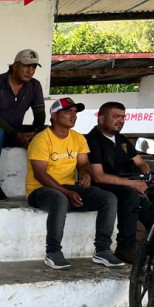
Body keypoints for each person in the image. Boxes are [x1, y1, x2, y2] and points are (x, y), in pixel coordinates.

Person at [26, 98, 123, 270]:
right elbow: (40, 174)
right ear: (54, 116)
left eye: (75, 112)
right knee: (60, 199)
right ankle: (53, 252)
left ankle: (102, 250)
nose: (73, 116)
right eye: (68, 112)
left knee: (108, 198)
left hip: (68, 188)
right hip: (40, 190)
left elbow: (83, 163)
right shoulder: (41, 139)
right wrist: (66, 192)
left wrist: (85, 173)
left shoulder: (78, 138)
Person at [0, 49, 47, 200]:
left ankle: (47, 179)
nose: (30, 71)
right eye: (26, 66)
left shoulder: (34, 85)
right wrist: (16, 134)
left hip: (13, 132)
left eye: (33, 67)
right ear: (14, 65)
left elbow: (39, 114)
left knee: (45, 130)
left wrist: (34, 132)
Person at [86, 102, 154, 263]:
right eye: (116, 116)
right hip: (106, 185)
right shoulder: (92, 140)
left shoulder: (121, 139)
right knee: (131, 195)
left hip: (129, 182)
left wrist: (146, 175)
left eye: (123, 117)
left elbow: (140, 162)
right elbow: (98, 176)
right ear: (102, 119)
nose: (121, 120)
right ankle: (125, 247)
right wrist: (132, 184)